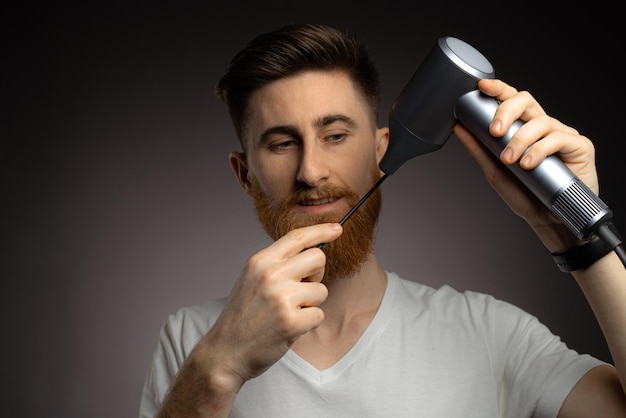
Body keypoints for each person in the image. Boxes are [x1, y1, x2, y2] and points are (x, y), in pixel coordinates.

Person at [139, 23, 626, 417]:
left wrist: (576, 238)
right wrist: (220, 365)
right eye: (283, 143)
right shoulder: (193, 340)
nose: (311, 172)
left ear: (380, 152)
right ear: (245, 175)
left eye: (334, 135)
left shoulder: (488, 331)